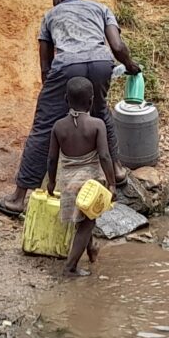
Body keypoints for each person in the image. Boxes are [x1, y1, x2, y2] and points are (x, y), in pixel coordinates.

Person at [0, 0, 139, 217]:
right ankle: (118, 171)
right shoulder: (100, 9)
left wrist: (53, 95)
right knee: (101, 114)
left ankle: (18, 199)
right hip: (102, 63)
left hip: (67, 66)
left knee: (43, 129)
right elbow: (118, 46)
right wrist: (131, 66)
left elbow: (45, 65)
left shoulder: (51, 15)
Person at [47, 77, 116, 276]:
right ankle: (70, 267)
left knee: (83, 220)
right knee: (87, 223)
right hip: (90, 182)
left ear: (66, 99)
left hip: (67, 181)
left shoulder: (58, 126)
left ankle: (92, 248)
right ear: (91, 101)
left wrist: (51, 181)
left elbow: (52, 159)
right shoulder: (97, 125)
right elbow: (104, 155)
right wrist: (111, 184)